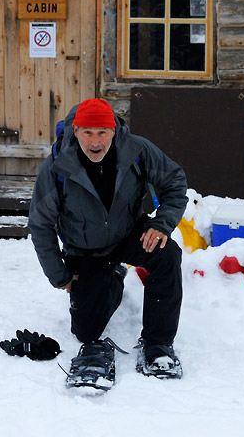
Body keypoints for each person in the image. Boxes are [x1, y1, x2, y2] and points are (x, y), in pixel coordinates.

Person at [27, 97, 188, 385]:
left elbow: (174, 180)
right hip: (85, 250)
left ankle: (158, 343)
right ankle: (112, 276)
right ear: (75, 132)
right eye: (87, 132)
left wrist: (162, 224)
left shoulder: (136, 150)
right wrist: (59, 275)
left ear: (114, 130)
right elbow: (40, 224)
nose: (95, 141)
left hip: (128, 235)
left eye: (102, 132)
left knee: (166, 253)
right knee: (87, 332)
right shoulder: (56, 166)